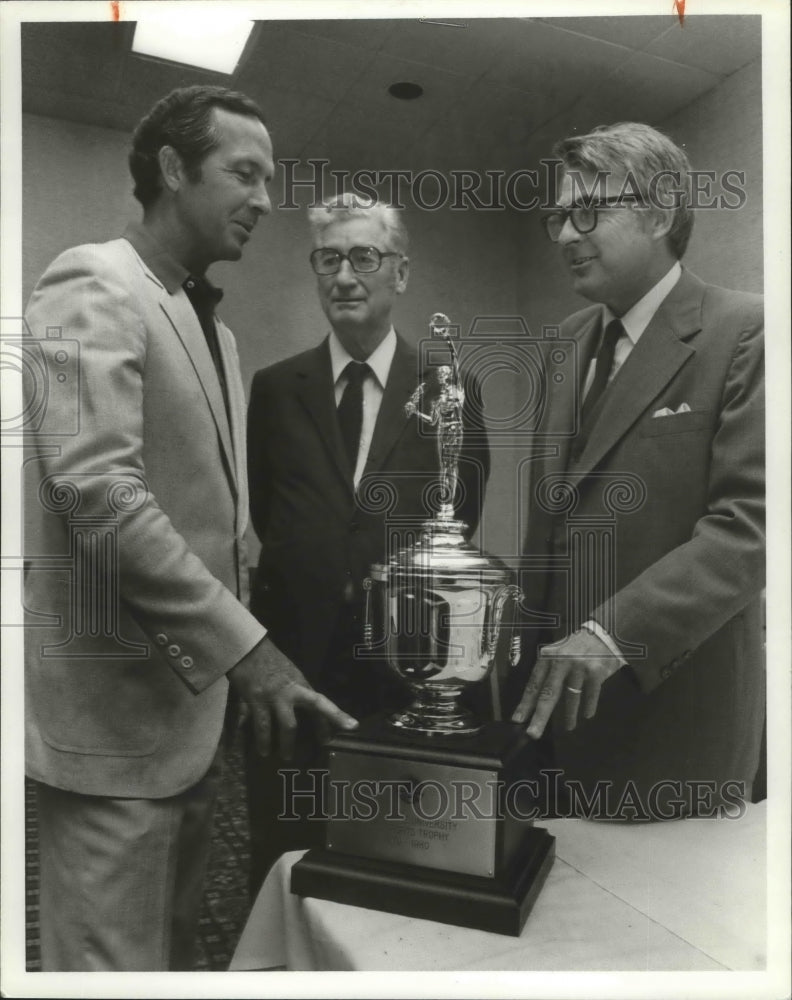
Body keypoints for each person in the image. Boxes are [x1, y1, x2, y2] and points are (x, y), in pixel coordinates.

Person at [23, 85, 357, 971]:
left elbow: (214, 524)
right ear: (172, 170)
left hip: (194, 732)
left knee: (169, 963)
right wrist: (249, 653)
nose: (265, 199)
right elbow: (95, 492)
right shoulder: (86, 281)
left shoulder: (220, 332)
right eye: (244, 173)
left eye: (272, 178)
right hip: (115, 735)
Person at [511, 122, 765, 819]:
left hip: (675, 732)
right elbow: (551, 524)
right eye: (558, 216)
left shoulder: (748, 331)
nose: (565, 234)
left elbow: (752, 530)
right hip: (553, 726)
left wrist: (610, 635)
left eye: (587, 211)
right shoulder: (565, 342)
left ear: (658, 211)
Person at [245, 194, 490, 891]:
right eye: (329, 259)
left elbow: (459, 518)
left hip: (404, 667)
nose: (345, 276)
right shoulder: (274, 388)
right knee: (287, 853)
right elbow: (270, 513)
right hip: (294, 662)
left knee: (397, 857)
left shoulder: (452, 393)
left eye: (364, 257)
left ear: (401, 273)